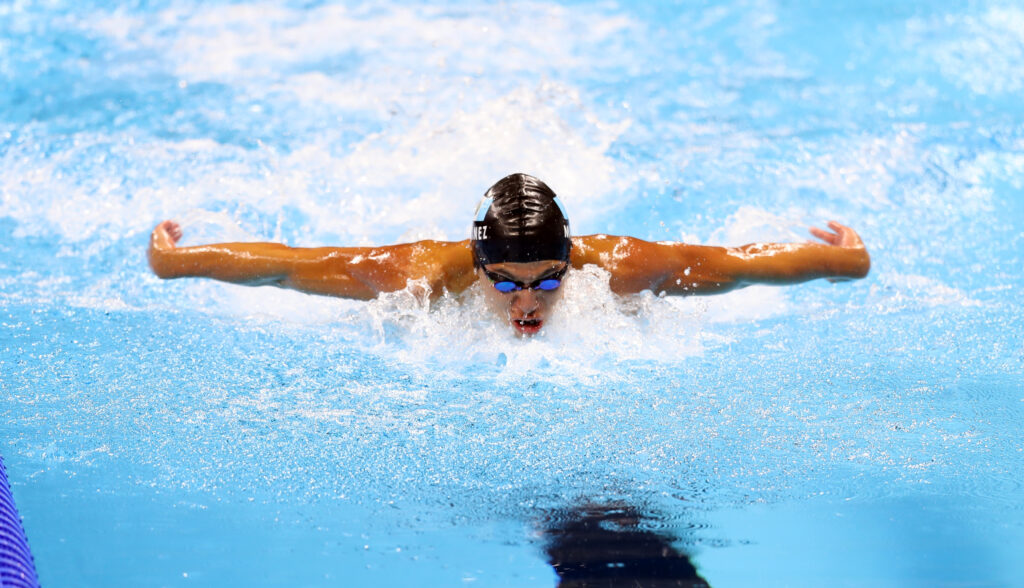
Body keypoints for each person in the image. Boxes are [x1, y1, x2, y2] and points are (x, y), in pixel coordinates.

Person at [148, 173, 870, 335]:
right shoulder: (423, 274)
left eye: (549, 281)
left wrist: (843, 261)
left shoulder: (620, 265)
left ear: (572, 261)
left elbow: (741, 265)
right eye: (507, 284)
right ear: (478, 263)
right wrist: (177, 261)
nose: (526, 303)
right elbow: (290, 263)